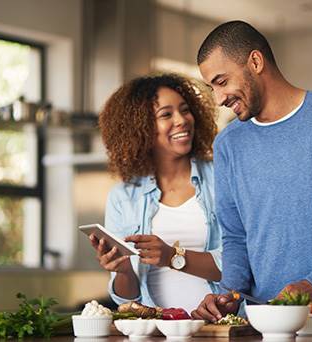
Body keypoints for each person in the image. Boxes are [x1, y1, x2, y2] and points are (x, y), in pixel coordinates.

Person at [190, 21, 312, 330]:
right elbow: (235, 235)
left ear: (255, 62)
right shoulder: (228, 144)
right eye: (211, 88)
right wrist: (228, 292)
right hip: (259, 323)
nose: (218, 98)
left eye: (222, 81)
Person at [92, 73, 221, 313]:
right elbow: (127, 298)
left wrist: (173, 256)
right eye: (166, 115)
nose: (182, 120)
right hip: (157, 330)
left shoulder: (221, 178)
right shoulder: (123, 197)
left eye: (185, 110)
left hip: (219, 326)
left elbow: (238, 264)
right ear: (141, 128)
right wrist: (122, 270)